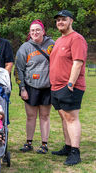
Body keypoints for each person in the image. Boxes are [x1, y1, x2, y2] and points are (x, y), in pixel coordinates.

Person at [50, 10, 87, 166]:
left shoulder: (77, 39)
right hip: (56, 87)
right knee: (64, 118)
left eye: (63, 19)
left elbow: (77, 63)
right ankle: (67, 146)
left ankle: (75, 152)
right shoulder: (59, 40)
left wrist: (70, 84)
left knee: (71, 118)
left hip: (70, 87)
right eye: (58, 20)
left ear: (71, 21)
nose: (60, 22)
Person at [15, 19, 55, 154]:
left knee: (45, 116)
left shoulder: (52, 45)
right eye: (32, 30)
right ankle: (28, 142)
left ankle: (44, 144)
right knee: (31, 116)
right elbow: (19, 70)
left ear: (43, 31)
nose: (35, 32)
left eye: (38, 30)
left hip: (47, 86)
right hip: (30, 87)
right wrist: (22, 89)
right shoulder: (25, 47)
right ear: (30, 33)